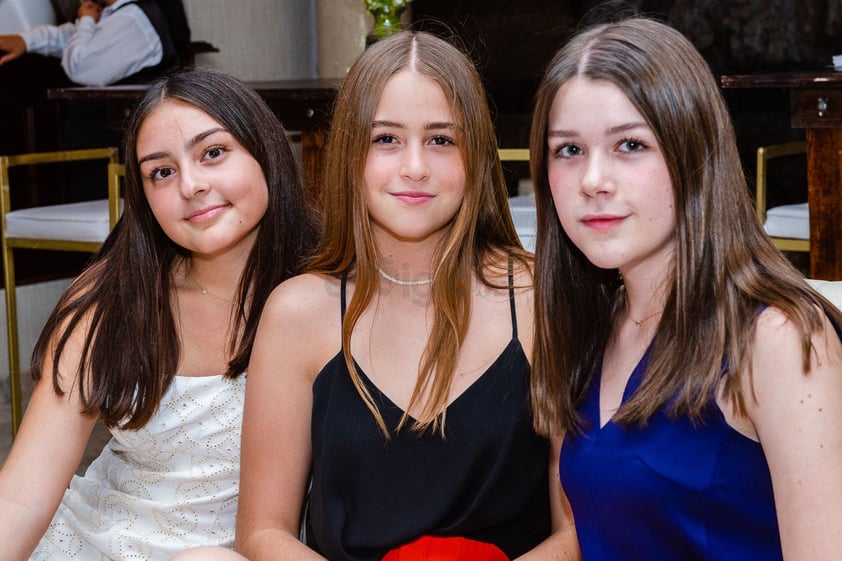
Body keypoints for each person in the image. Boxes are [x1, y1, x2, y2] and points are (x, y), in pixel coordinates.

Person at [173, 30, 579, 561]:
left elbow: (575, 530)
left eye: (441, 140)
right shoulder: (299, 311)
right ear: (350, 154)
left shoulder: (537, 298)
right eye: (385, 139)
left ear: (475, 155)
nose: (414, 166)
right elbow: (264, 532)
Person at [529, 16, 842, 561]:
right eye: (568, 150)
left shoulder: (779, 338)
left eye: (629, 144)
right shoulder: (588, 325)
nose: (593, 180)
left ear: (693, 153)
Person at [0, 66, 318, 561]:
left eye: (213, 153)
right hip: (92, 545)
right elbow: (21, 496)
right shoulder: (113, 298)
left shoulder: (332, 294)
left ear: (266, 153)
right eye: (161, 172)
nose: (190, 185)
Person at [0, 0, 185, 87]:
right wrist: (24, 40)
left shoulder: (131, 19)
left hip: (116, 142)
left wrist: (86, 20)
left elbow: (80, 67)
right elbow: (70, 36)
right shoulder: (113, 13)